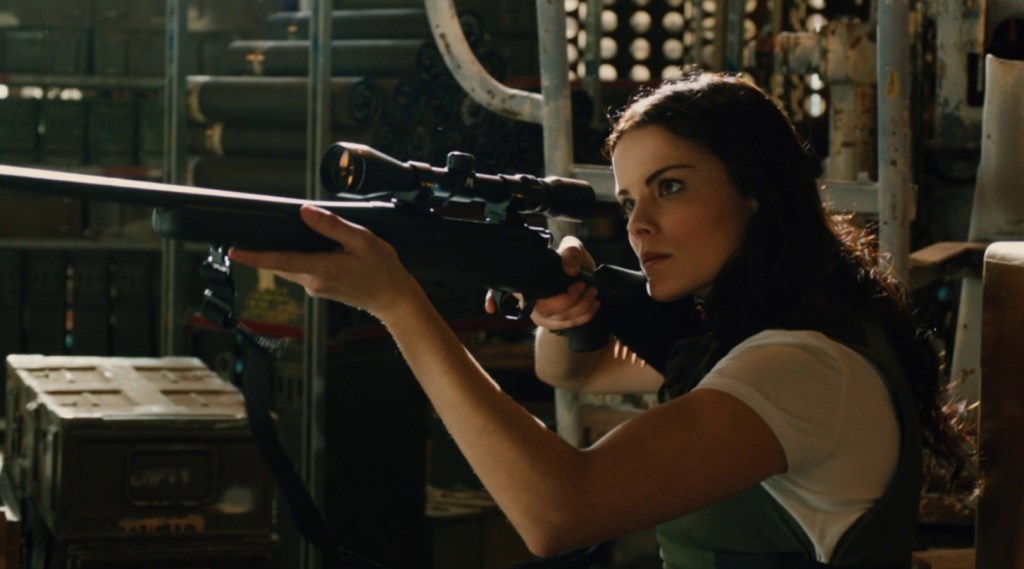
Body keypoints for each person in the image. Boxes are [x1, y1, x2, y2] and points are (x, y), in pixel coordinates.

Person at [229, 71, 962, 568]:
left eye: (670, 187)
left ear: (758, 191)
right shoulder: (786, 330)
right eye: (629, 200)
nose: (639, 225)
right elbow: (575, 372)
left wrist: (397, 302)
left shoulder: (797, 368)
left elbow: (558, 512)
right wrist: (563, 310)